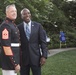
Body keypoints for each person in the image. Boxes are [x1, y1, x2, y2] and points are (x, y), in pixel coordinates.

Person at [18, 8, 47, 75]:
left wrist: (44, 56)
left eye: (28, 13)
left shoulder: (38, 26)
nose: (27, 15)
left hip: (36, 59)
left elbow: (43, 42)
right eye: (24, 14)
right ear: (21, 16)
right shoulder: (18, 28)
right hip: (23, 60)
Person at [0, 4, 20, 75]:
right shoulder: (5, 25)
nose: (14, 13)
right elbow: (6, 46)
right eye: (12, 11)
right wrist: (14, 63)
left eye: (15, 11)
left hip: (12, 61)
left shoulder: (13, 25)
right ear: (7, 13)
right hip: (8, 62)